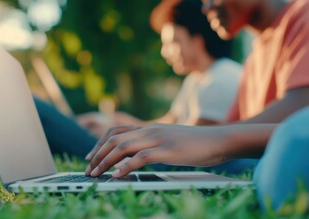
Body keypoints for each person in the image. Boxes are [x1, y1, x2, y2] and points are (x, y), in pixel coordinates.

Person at [85, 0, 309, 208]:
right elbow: (228, 129)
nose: (206, 7)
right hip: (261, 160)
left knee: (157, 156)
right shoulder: (255, 57)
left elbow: (298, 117)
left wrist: (206, 139)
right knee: (157, 152)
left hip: (302, 159)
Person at [35, 0, 242, 158]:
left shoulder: (221, 78)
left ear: (197, 40)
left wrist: (125, 135)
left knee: (41, 112)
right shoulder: (197, 80)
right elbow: (169, 124)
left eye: (173, 42)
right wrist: (116, 124)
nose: (165, 52)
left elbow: (189, 142)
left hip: (166, 159)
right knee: (66, 130)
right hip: (159, 155)